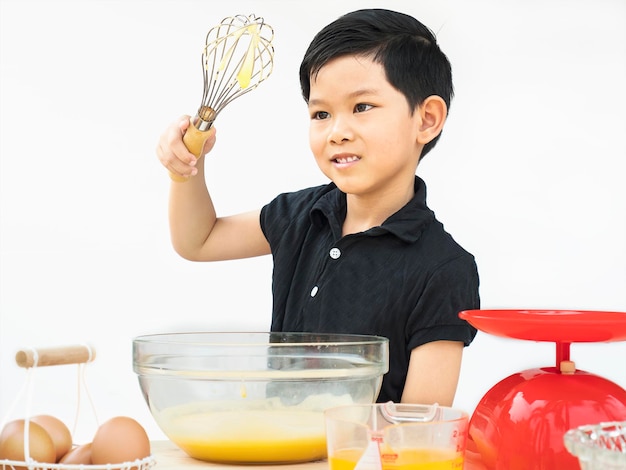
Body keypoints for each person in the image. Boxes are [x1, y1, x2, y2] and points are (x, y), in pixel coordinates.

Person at [156, 8, 479, 406]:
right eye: (321, 114)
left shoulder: (444, 268)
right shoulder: (302, 215)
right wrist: (187, 166)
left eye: (362, 107)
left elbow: (419, 426)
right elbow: (198, 240)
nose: (337, 132)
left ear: (426, 119)